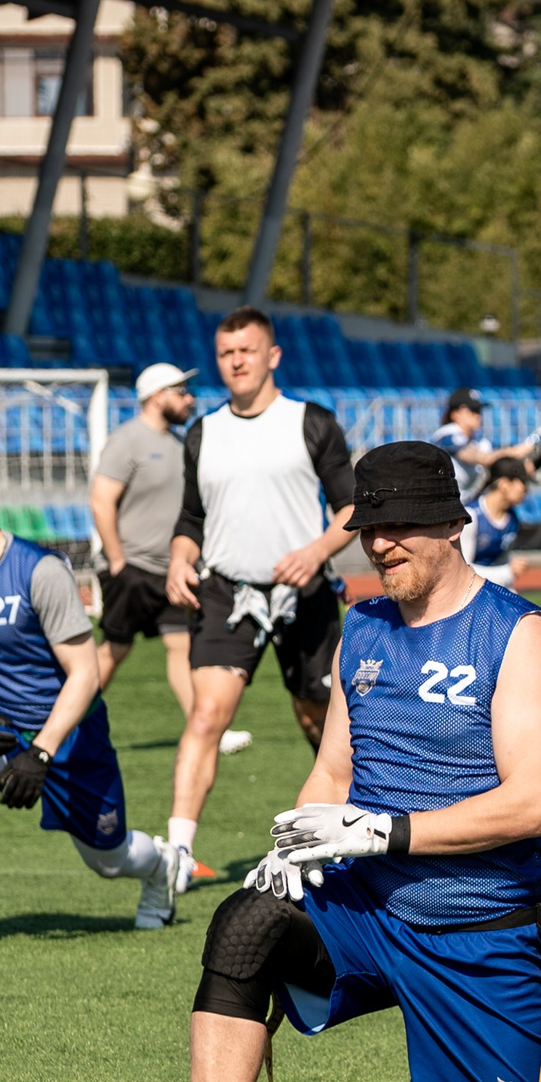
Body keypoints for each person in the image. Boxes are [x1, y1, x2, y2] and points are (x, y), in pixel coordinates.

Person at [147, 442, 541, 1082]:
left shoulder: (518, 634)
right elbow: (333, 768)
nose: (382, 543)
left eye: (401, 525)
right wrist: (293, 846)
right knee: (244, 922)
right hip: (363, 909)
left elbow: (531, 805)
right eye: (369, 526)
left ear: (454, 524)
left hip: (478, 930)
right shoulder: (364, 626)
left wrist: (385, 830)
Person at [0, 457, 174, 952]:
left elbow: (86, 673)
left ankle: (161, 865)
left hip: (72, 735)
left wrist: (44, 751)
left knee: (110, 859)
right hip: (1, 723)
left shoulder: (40, 570)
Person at [161, 309, 359, 895]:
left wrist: (316, 550)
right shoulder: (203, 432)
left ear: (272, 355)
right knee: (205, 715)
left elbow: (351, 506)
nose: (238, 361)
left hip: (304, 592)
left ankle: (345, 830)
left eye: (248, 350)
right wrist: (179, 557)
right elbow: (190, 517)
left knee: (319, 718)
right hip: (227, 592)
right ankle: (176, 853)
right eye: (227, 353)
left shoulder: (311, 423)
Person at [428, 387, 541, 484]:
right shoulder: (446, 434)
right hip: (438, 504)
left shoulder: (480, 441)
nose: (478, 415)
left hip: (461, 504)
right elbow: (483, 458)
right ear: (455, 414)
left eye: (479, 410)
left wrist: (526, 463)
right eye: (473, 410)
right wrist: (528, 445)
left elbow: (497, 464)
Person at [460, 456, 534, 587]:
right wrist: (507, 572)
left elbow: (502, 562)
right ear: (504, 484)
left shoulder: (512, 519)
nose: (525, 490)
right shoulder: (471, 516)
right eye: (523, 483)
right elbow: (462, 571)